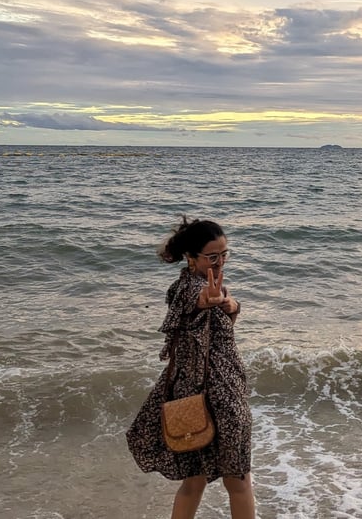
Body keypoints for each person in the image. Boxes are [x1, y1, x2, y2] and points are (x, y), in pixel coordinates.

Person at [126, 217, 255, 519]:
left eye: (225, 254)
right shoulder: (186, 288)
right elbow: (193, 301)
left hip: (195, 394)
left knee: (194, 481)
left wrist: (231, 305)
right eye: (213, 256)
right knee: (239, 481)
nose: (220, 261)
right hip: (218, 399)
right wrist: (210, 299)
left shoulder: (213, 286)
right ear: (191, 257)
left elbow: (220, 331)